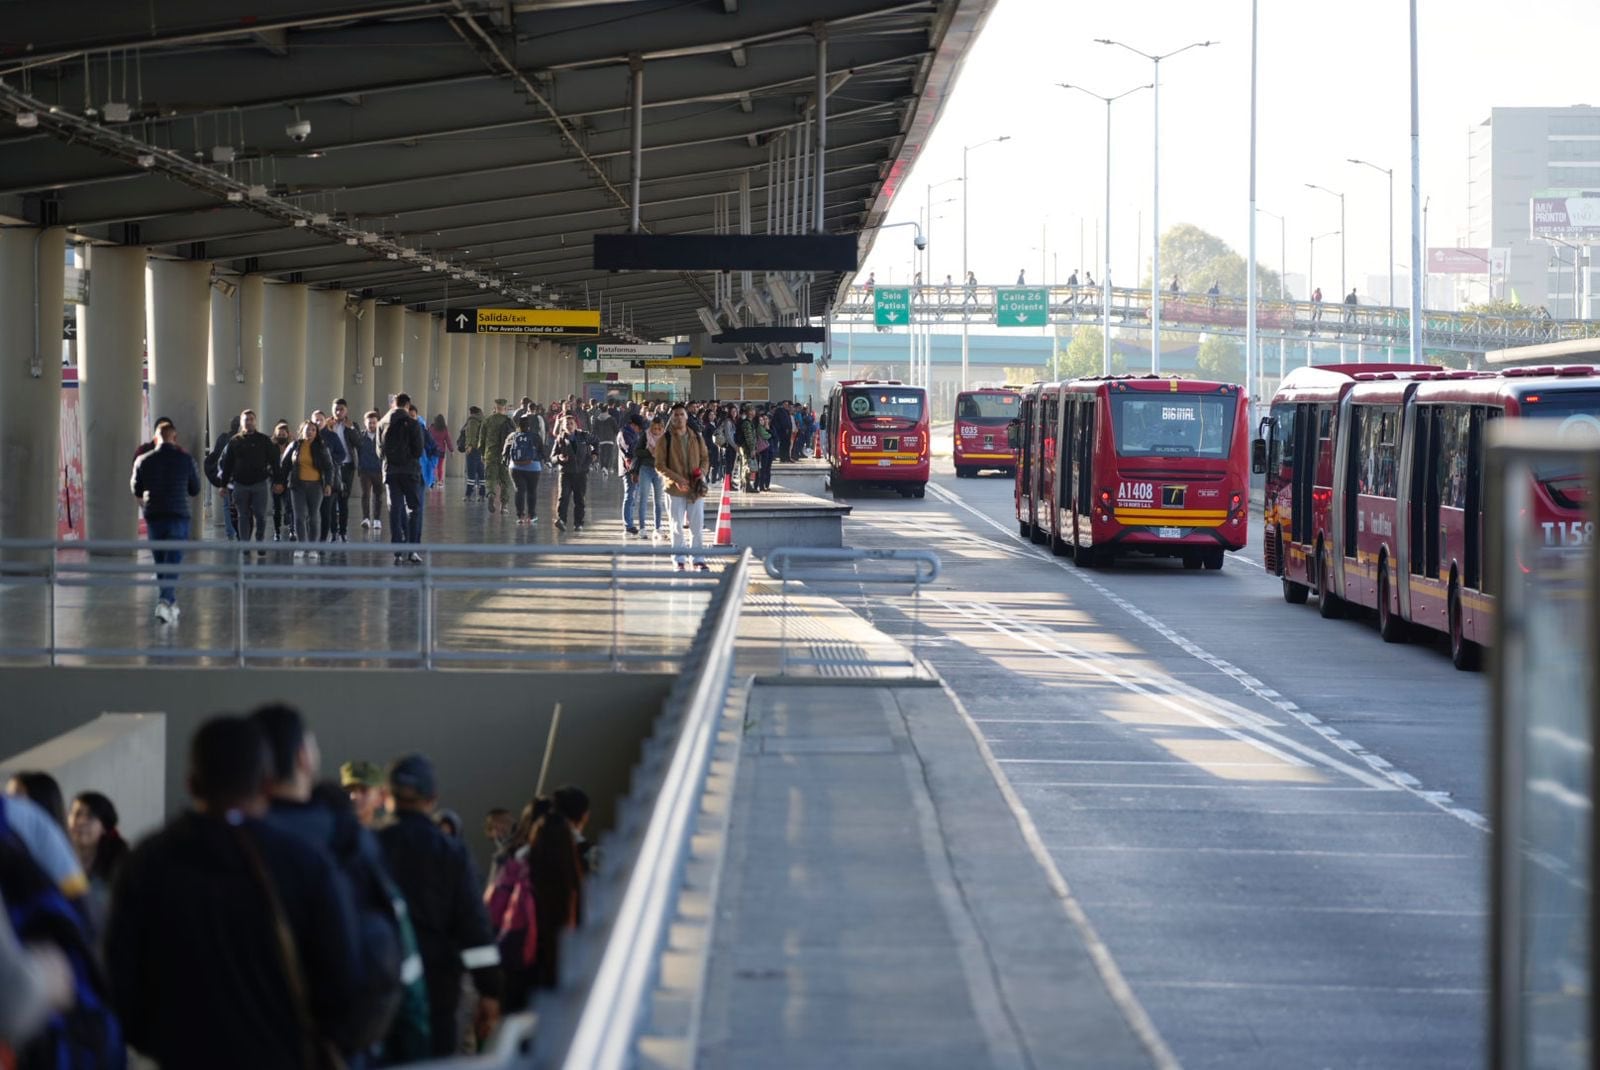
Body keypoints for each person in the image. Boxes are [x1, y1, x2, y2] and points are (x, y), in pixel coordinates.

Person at [106, 715, 363, 1070]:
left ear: (192, 783)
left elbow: (120, 983)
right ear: (267, 784)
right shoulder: (303, 863)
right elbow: (341, 983)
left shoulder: (145, 863)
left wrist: (161, 1042)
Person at [251, 704, 411, 1062]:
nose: (355, 797)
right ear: (304, 758)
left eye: (363, 789)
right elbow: (380, 952)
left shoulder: (220, 843)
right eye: (350, 789)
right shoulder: (347, 843)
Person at [376, 754, 503, 1057]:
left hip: (380, 991)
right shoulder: (451, 852)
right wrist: (490, 990)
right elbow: (474, 928)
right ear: (432, 799)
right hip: (437, 992)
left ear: (385, 796)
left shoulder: (366, 847)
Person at [132, 421, 201, 625]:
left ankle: (169, 603)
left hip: (154, 516)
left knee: (161, 561)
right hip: (178, 515)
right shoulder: (186, 459)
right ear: (175, 438)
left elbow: (136, 488)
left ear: (155, 439)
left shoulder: (143, 460)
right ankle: (165, 601)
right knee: (173, 560)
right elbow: (195, 488)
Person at [524, 787, 590, 991]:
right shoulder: (588, 857)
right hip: (567, 957)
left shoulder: (521, 857)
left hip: (524, 956)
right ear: (583, 816)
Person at [657, 403, 711, 572]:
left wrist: (702, 473)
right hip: (675, 489)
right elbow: (659, 465)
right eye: (676, 415)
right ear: (671, 418)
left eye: (682, 414)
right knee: (676, 526)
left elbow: (705, 458)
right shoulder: (665, 439)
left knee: (697, 525)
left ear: (687, 417)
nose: (679, 417)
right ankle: (679, 559)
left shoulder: (697, 437)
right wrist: (677, 479)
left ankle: (698, 559)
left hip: (695, 487)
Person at [219, 408, 278, 554]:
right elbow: (227, 464)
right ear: (241, 422)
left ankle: (259, 540)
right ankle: (245, 544)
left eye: (251, 419)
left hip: (259, 484)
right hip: (240, 485)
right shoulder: (235, 441)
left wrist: (278, 481)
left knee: (261, 515)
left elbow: (274, 461)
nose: (249, 422)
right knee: (243, 516)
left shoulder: (264, 440)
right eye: (246, 419)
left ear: (255, 421)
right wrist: (223, 485)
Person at [377, 393, 426, 565]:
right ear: (407, 405)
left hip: (390, 472)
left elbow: (379, 452)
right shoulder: (412, 423)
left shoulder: (382, 423)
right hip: (410, 472)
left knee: (395, 509)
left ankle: (397, 550)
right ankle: (412, 550)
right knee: (414, 509)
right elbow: (418, 450)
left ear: (394, 404)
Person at [68, 790, 128, 927]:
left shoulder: (119, 864)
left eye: (90, 816)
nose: (81, 821)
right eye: (76, 814)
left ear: (104, 827)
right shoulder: (59, 858)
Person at [280, 418, 334, 560]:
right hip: (297, 486)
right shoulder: (295, 446)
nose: (310, 432)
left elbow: (329, 467)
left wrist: (328, 484)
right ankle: (301, 545)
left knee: (314, 516)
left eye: (313, 430)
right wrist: (280, 482)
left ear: (316, 433)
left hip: (316, 486)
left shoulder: (321, 447)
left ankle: (312, 548)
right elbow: (285, 465)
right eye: (307, 429)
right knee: (299, 517)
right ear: (302, 430)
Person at [552, 414, 596, 533]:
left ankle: (578, 523)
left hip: (581, 473)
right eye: (567, 424)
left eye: (571, 423)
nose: (569, 426)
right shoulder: (560, 439)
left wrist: (593, 456)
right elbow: (552, 458)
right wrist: (559, 458)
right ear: (563, 426)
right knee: (563, 497)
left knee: (579, 499)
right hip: (566, 473)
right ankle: (562, 520)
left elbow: (596, 442)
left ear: (576, 425)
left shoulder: (584, 436)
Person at [475, 400, 516, 516]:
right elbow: (514, 438)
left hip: (490, 454)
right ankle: (504, 506)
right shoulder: (509, 421)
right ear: (505, 408)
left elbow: (481, 440)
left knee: (490, 478)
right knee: (505, 480)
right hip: (505, 455)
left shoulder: (487, 421)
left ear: (495, 407)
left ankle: (491, 494)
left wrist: (483, 454)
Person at [329, 400, 363, 542]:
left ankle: (343, 531)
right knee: (331, 500)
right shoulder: (328, 424)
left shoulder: (352, 425)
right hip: (331, 467)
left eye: (341, 409)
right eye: (336, 409)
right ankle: (333, 532)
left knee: (343, 500)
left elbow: (359, 443)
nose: (338, 412)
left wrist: (351, 429)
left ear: (346, 411)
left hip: (347, 467)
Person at [503, 414, 545, 526]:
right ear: (529, 426)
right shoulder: (535, 436)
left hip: (515, 467)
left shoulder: (513, 436)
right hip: (533, 467)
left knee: (519, 490)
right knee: (532, 491)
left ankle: (520, 516)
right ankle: (532, 516)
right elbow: (542, 453)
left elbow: (505, 452)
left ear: (518, 426)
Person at [632, 417, 667, 534]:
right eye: (654, 428)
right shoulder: (645, 435)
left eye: (659, 429)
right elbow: (637, 451)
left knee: (658, 501)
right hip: (645, 469)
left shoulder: (666, 438)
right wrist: (649, 452)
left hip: (659, 471)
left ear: (662, 428)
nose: (656, 431)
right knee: (643, 499)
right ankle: (642, 528)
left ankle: (658, 528)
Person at [357, 410, 385, 533]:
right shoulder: (360, 436)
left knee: (378, 495)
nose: (372, 425)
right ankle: (366, 518)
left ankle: (377, 519)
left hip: (379, 470)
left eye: (374, 422)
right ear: (365, 423)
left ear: (378, 423)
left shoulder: (382, 437)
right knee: (365, 494)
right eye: (369, 423)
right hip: (365, 470)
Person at [618, 412, 644, 535]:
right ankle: (628, 525)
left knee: (633, 497)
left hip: (634, 467)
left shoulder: (632, 433)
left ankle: (630, 523)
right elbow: (630, 450)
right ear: (634, 425)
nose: (639, 431)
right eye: (639, 428)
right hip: (629, 469)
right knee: (629, 496)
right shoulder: (624, 433)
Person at [341, 761, 387, 829]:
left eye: (363, 790)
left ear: (381, 797)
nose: (353, 796)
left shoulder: (388, 833)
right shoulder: (330, 832)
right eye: (349, 790)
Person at [269, 420, 295, 542]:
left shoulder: (292, 447)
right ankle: (277, 531)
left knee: (290, 506)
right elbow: (268, 465)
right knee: (276, 508)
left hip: (288, 480)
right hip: (275, 481)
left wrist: (287, 481)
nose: (281, 437)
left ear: (287, 434)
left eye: (283, 434)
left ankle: (292, 530)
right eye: (279, 434)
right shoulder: (271, 448)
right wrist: (274, 481)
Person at [458, 407, 486, 502]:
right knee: (481, 473)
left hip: (473, 449)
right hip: (481, 449)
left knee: (471, 473)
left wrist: (469, 445)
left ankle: (468, 495)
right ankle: (482, 495)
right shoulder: (483, 420)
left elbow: (471, 434)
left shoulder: (473, 420)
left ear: (471, 413)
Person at [428, 415, 454, 486]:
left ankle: (432, 480)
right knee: (440, 466)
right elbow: (448, 440)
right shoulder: (444, 429)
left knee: (433, 465)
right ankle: (440, 481)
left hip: (432, 449)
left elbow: (428, 438)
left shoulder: (432, 428)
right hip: (441, 450)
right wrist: (451, 450)